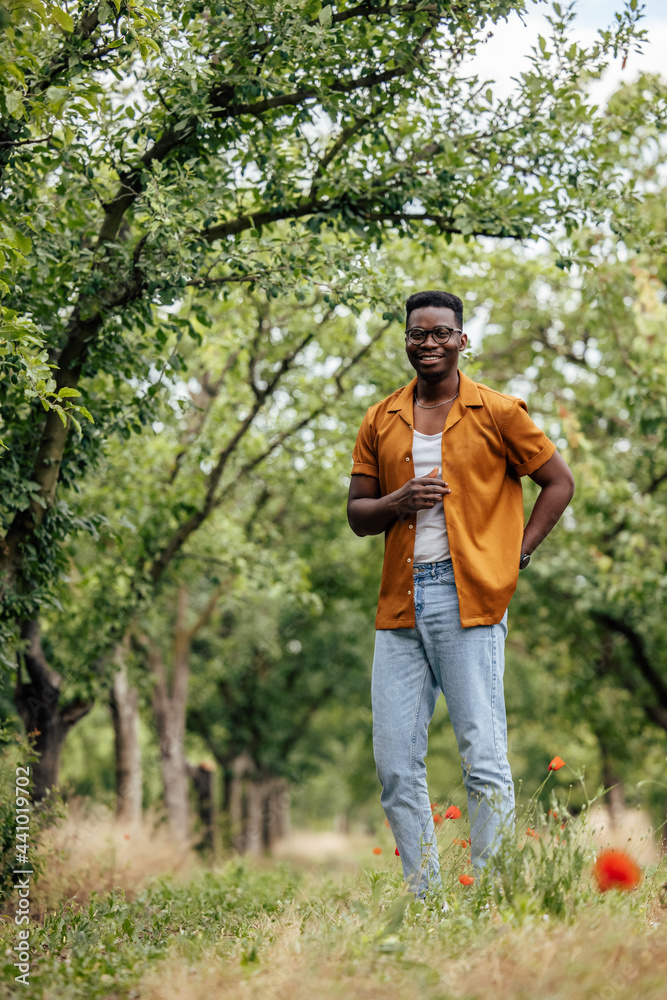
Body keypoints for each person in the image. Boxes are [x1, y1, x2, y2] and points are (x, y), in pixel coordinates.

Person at [347, 289, 575, 895]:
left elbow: (558, 481)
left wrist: (516, 554)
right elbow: (358, 515)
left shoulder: (498, 412)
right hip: (399, 606)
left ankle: (493, 901)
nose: (429, 343)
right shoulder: (380, 418)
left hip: (468, 598)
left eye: (441, 333)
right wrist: (398, 502)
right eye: (418, 333)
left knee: (483, 758)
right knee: (396, 765)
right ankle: (429, 902)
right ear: (405, 340)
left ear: (461, 340)